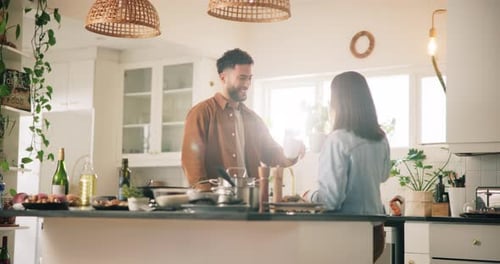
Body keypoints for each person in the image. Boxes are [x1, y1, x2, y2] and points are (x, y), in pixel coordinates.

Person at [181, 48, 304, 189]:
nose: (247, 84)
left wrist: (292, 150)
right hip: (215, 204)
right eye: (242, 78)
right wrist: (207, 198)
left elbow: (272, 154)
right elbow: (192, 164)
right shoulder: (201, 113)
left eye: (249, 78)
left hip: (250, 200)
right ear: (223, 77)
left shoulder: (254, 119)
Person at [309, 71, 390, 262]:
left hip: (348, 232)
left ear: (338, 101)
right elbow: (384, 175)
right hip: (376, 232)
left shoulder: (337, 139)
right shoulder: (380, 137)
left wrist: (309, 197)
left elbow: (331, 200)